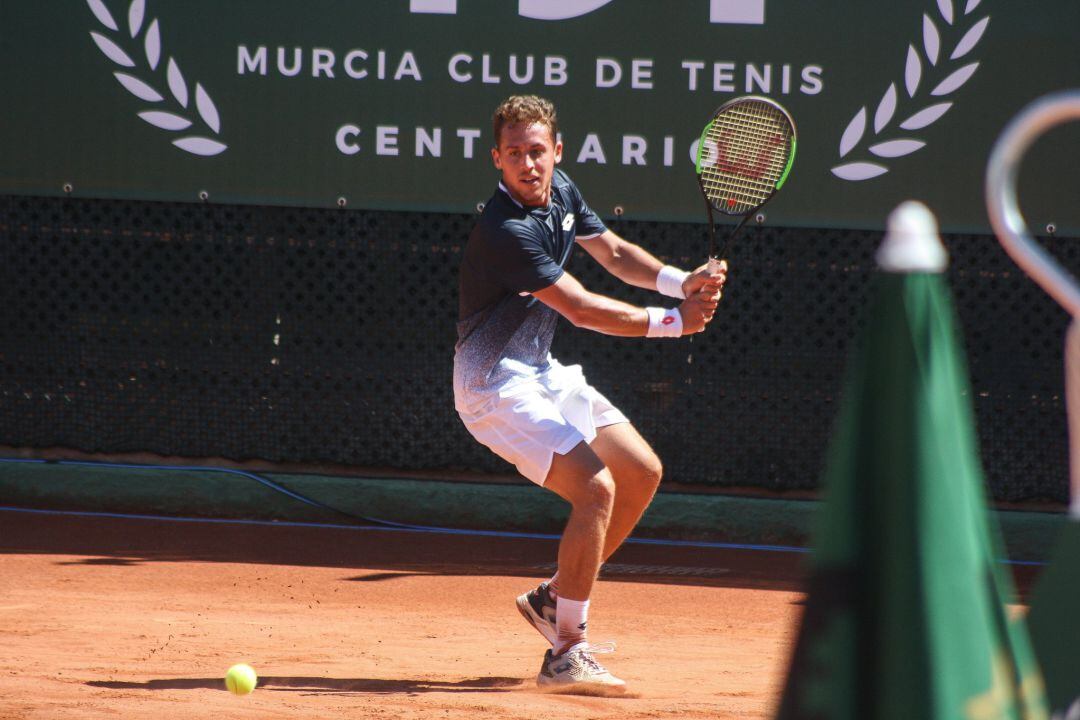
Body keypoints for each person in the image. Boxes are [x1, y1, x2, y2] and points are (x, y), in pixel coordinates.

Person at [453, 95, 726, 695]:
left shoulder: (562, 191)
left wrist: (685, 282)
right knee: (596, 487)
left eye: (538, 152)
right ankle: (566, 650)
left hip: (541, 368)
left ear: (558, 151)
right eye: (515, 154)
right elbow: (578, 307)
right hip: (493, 384)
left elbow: (617, 255)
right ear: (496, 160)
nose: (529, 164)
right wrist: (673, 321)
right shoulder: (506, 231)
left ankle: (555, 599)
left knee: (641, 472)